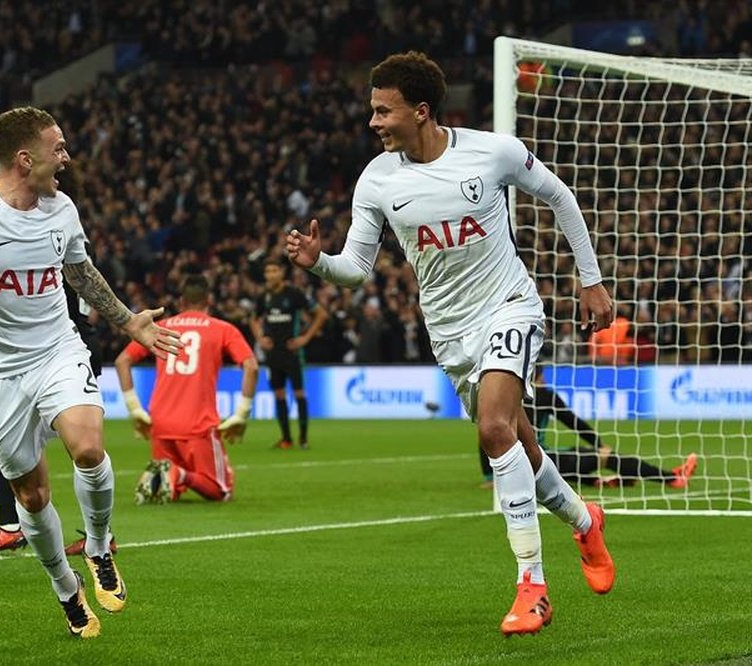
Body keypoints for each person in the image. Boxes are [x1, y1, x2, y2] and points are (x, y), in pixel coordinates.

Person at [285, 51, 616, 637]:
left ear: (421, 110)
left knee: (493, 430)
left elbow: (560, 197)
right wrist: (319, 265)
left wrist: (589, 280)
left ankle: (532, 586)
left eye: (383, 112)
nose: (374, 123)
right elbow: (358, 267)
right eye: (372, 111)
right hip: (450, 331)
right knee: (521, 445)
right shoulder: (379, 179)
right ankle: (584, 520)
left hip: (510, 305)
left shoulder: (493, 152)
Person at [0, 106, 179, 639]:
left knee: (87, 448)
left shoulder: (62, 209)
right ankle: (66, 587)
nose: (66, 157)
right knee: (31, 497)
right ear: (24, 158)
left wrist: (130, 323)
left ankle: (100, 548)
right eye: (58, 148)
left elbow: (80, 272)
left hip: (58, 349)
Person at [0, 280, 106, 558]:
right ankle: (13, 523)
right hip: (59, 340)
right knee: (17, 440)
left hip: (57, 345)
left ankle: (98, 538)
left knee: (81, 442)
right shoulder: (66, 240)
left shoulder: (53, 239)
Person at [119, 274, 259, 504]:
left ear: (182, 301)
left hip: (161, 423)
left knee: (170, 490)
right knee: (221, 491)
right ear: (209, 300)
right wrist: (242, 413)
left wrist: (134, 409)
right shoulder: (222, 329)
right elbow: (251, 367)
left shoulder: (161, 327)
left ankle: (167, 478)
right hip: (197, 424)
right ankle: (179, 474)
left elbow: (122, 361)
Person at [479, 368, 699, 489]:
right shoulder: (544, 393)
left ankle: (595, 481)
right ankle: (672, 478)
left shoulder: (501, 395)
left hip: (510, 466)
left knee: (562, 465)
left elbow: (484, 433)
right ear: (537, 376)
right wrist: (599, 444)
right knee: (604, 458)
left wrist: (491, 476)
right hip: (540, 459)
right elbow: (574, 422)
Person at [250, 258, 327, 449]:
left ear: (282, 273)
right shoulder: (264, 296)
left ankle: (303, 439)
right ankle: (286, 439)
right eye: (268, 272)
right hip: (273, 354)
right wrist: (260, 338)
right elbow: (253, 319)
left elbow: (321, 314)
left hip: (293, 353)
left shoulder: (294, 294)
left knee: (299, 393)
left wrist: (305, 338)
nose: (270, 275)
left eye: (274, 271)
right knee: (279, 395)